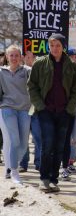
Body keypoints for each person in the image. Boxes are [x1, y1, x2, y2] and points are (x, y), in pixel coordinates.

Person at [27, 33, 76, 192]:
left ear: (63, 46)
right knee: (47, 145)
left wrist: (70, 109)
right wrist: (40, 106)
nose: (55, 48)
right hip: (45, 111)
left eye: (57, 45)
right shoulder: (40, 63)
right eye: (52, 45)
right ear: (48, 46)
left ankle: (54, 179)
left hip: (64, 112)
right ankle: (44, 178)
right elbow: (31, 86)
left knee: (59, 146)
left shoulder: (71, 66)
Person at [0, 45, 31, 184]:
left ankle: (10, 165)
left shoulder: (27, 71)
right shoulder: (1, 72)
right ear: (6, 57)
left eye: (16, 55)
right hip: (7, 108)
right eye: (11, 55)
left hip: (24, 109)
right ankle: (14, 171)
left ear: (21, 57)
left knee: (24, 144)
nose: (14, 58)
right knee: (14, 140)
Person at [60, 48, 76, 181]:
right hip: (62, 111)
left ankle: (70, 162)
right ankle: (63, 165)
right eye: (71, 56)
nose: (73, 58)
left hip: (75, 112)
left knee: (75, 139)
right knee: (64, 139)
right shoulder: (62, 72)